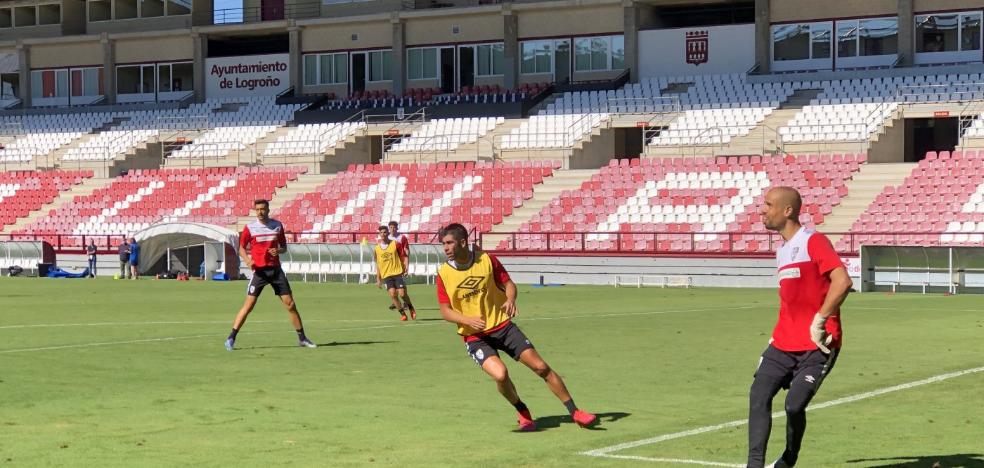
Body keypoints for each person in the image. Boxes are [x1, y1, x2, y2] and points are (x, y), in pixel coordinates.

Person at [436, 223, 597, 432]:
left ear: (463, 242)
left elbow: (509, 284)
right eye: (443, 244)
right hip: (474, 336)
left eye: (449, 243)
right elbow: (445, 310)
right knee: (501, 375)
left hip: (503, 327)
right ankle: (522, 412)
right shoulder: (444, 273)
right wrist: (467, 320)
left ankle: (575, 412)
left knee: (541, 367)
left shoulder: (487, 260)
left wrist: (510, 300)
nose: (446, 248)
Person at [747, 187, 853, 468]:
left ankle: (789, 458)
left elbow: (842, 282)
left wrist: (820, 320)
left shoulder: (813, 241)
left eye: (768, 205)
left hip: (818, 344)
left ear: (787, 211)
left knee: (794, 406)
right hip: (782, 343)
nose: (762, 211)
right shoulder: (781, 251)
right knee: (758, 396)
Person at [225, 199, 316, 351]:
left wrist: (278, 251)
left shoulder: (277, 226)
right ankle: (231, 338)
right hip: (259, 272)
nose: (260, 212)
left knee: (291, 304)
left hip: (275, 270)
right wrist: (247, 260)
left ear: (268, 210)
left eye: (263, 209)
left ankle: (302, 338)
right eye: (257, 209)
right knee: (248, 306)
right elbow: (241, 247)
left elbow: (284, 247)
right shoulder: (250, 228)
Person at [373, 225, 416, 321]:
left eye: (385, 232)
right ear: (379, 234)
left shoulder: (395, 244)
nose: (383, 234)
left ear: (388, 233)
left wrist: (405, 267)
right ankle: (403, 314)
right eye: (381, 232)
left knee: (402, 293)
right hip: (386, 275)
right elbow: (378, 264)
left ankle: (411, 307)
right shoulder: (377, 249)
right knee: (392, 294)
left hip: (397, 273)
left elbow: (403, 255)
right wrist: (378, 279)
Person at [387, 221, 410, 311]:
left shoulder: (402, 237)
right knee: (392, 284)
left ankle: (405, 302)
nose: (392, 229)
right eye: (391, 227)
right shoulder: (387, 237)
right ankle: (395, 301)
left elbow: (406, 251)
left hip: (400, 263)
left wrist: (406, 265)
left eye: (394, 227)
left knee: (401, 283)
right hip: (390, 265)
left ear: (397, 228)